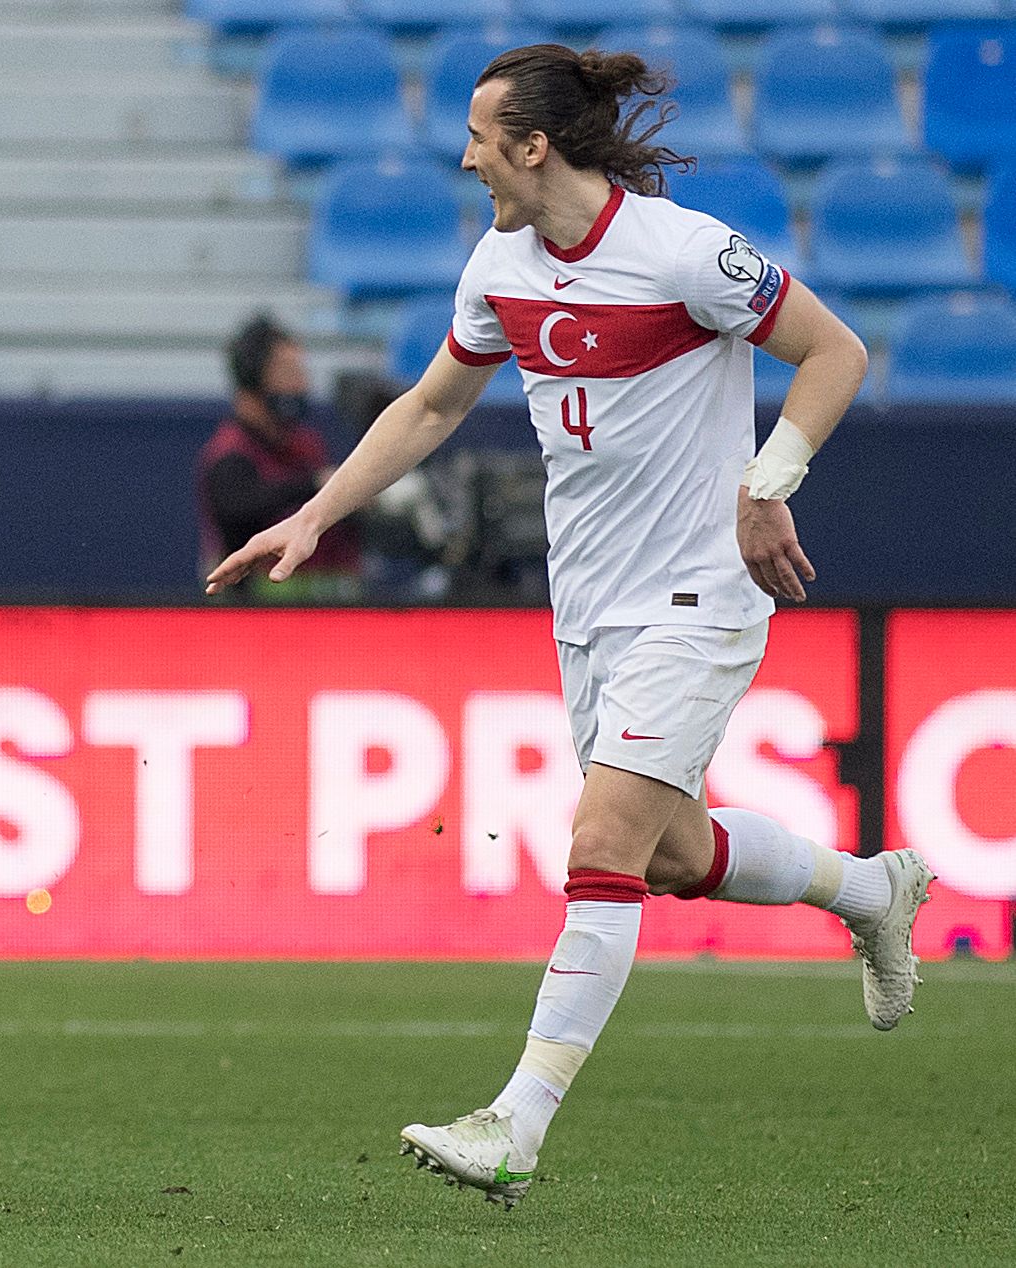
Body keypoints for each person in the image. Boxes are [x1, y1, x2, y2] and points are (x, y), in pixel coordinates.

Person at [207, 44, 934, 1209]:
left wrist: (766, 484)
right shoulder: (498, 263)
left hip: (698, 592)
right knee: (666, 850)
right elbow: (436, 399)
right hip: (587, 605)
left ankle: (514, 1121)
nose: (463, 156)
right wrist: (316, 511)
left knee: (597, 843)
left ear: (533, 145)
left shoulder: (683, 253)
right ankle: (865, 887)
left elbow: (831, 351)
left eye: (480, 136)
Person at [197, 315, 362, 602]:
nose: (301, 384)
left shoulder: (306, 443)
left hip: (333, 612)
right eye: (288, 372)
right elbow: (238, 507)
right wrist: (315, 484)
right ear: (252, 379)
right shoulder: (230, 453)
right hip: (260, 618)